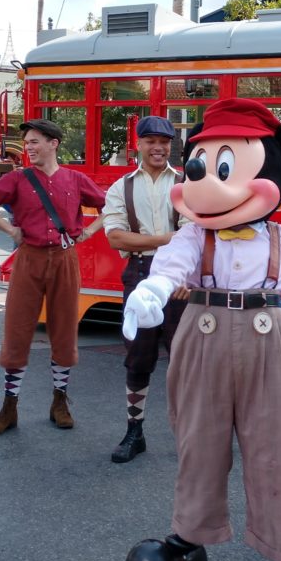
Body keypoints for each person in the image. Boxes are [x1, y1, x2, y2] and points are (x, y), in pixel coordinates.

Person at [121, 98, 281, 561]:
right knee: (198, 444)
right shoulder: (193, 234)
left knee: (274, 454)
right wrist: (151, 293)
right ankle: (188, 539)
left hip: (272, 340)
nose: (207, 182)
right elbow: (169, 267)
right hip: (202, 337)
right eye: (200, 167)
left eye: (226, 167)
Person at [0, 118, 105, 437]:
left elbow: (110, 206)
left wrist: (88, 231)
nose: (28, 148)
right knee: (17, 328)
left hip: (64, 259)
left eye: (34, 142)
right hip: (29, 257)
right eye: (27, 142)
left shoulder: (75, 179)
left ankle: (60, 401)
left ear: (53, 144)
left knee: (63, 327)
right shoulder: (18, 180)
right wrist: (10, 229)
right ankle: (9, 406)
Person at [101, 115, 187, 463]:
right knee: (138, 356)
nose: (158, 147)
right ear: (138, 144)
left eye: (164, 142)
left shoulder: (186, 183)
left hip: (180, 278)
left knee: (187, 359)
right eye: (151, 141)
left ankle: (193, 436)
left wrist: (182, 267)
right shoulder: (121, 187)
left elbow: (195, 236)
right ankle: (134, 433)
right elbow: (115, 236)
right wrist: (168, 238)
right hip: (139, 273)